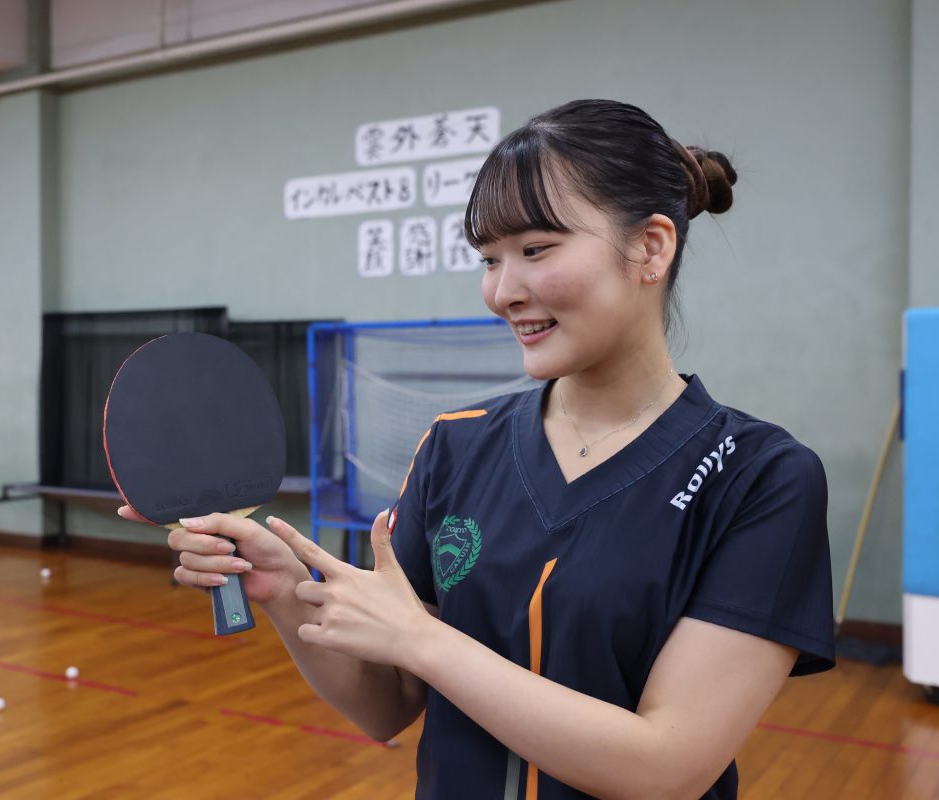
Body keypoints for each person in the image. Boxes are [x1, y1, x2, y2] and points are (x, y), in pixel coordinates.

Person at [120, 99, 835, 799]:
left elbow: (666, 768)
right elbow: (388, 706)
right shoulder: (455, 446)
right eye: (490, 258)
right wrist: (280, 590)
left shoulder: (760, 477)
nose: (502, 290)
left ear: (650, 247)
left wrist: (424, 640)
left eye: (534, 250)